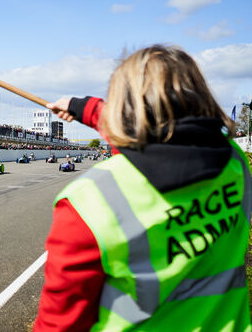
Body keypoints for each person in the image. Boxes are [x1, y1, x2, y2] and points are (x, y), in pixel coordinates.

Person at [34, 45, 251, 331]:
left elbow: (58, 323)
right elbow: (169, 133)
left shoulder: (92, 198)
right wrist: (81, 106)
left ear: (125, 108)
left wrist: (87, 108)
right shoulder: (236, 162)